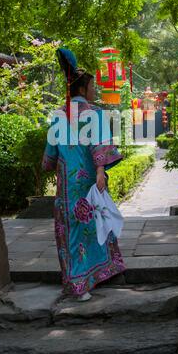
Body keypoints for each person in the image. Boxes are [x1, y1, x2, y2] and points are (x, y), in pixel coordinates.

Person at [42, 49, 126, 302]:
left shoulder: (59, 114)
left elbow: (49, 156)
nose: (94, 91)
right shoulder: (95, 113)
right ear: (82, 89)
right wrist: (100, 171)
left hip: (66, 184)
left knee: (71, 229)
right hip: (89, 179)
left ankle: (75, 279)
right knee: (95, 223)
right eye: (92, 86)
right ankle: (86, 281)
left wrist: (49, 166)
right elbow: (99, 146)